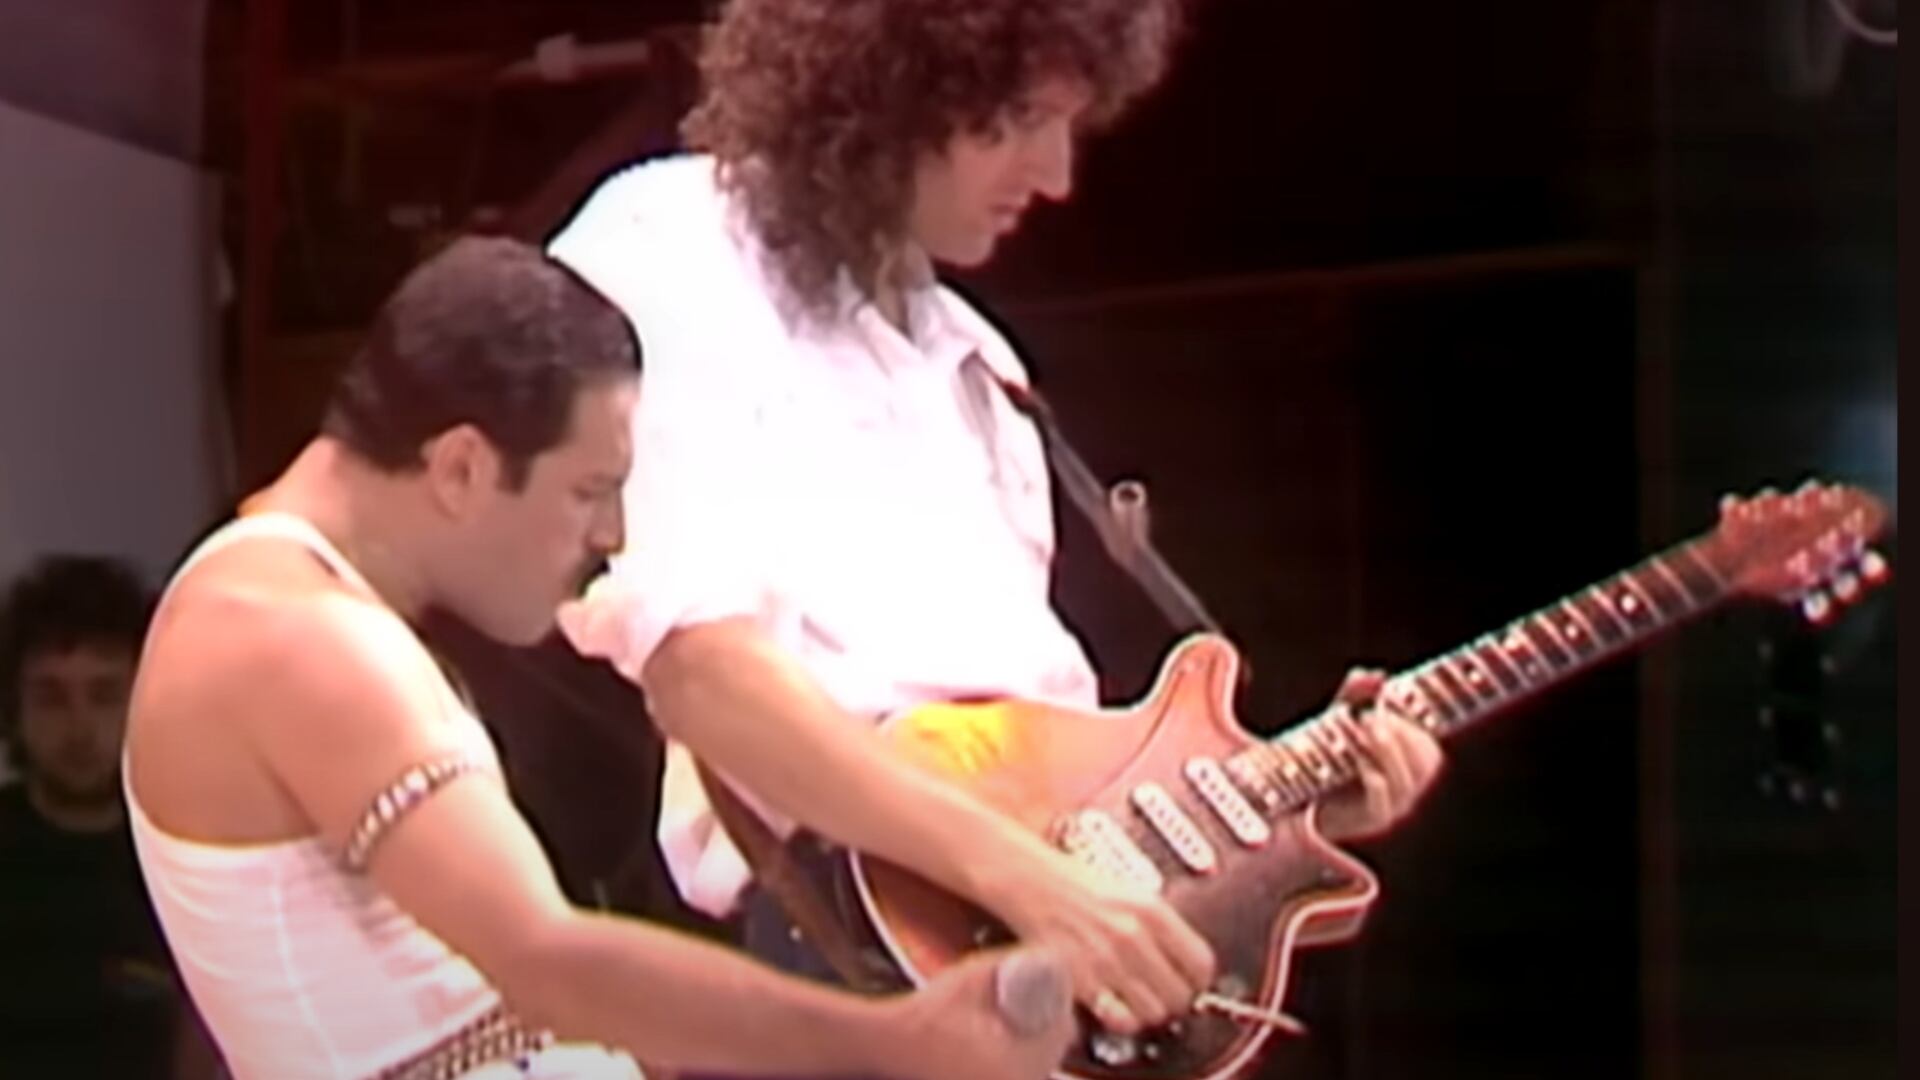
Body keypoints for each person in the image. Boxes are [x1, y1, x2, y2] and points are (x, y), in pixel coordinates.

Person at [547, 0, 1447, 1050]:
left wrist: (1279, 826)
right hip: (835, 968)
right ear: (886, 86)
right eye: (1018, 118)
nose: (1057, 174)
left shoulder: (985, 371)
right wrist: (1040, 885)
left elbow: (1057, 794)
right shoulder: (676, 244)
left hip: (1025, 974)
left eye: (1069, 122)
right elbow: (702, 674)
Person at [123, 235, 1072, 1080]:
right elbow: (549, 962)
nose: (612, 533)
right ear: (460, 467)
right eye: (590, 490)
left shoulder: (279, 610)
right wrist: (896, 1044)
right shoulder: (301, 640)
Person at [0, 554, 218, 1078]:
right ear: (14, 709)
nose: (79, 728)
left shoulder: (192, 852)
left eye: (104, 696)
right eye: (51, 698)